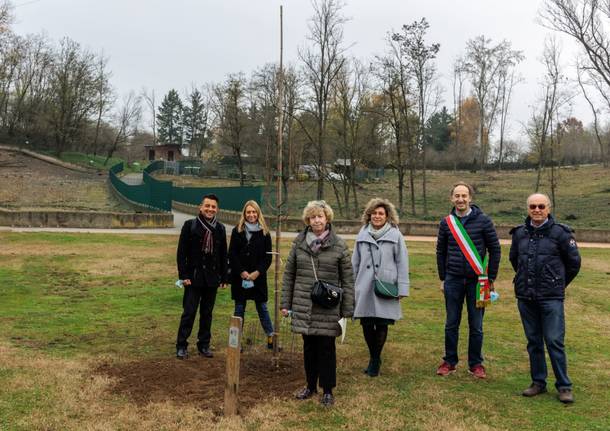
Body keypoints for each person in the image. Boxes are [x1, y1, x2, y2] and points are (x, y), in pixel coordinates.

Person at [281, 200, 354, 407]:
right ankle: (310, 386)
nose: (317, 220)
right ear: (308, 220)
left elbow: (348, 278)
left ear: (327, 218)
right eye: (312, 217)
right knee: (309, 348)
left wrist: (348, 308)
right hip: (304, 304)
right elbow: (289, 275)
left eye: (320, 216)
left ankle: (328, 390)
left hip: (328, 306)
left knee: (327, 349)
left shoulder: (339, 244)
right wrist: (286, 303)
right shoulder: (299, 243)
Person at [509, 193, 581, 403]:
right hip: (526, 296)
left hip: (551, 298)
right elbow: (515, 260)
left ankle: (564, 386)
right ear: (528, 208)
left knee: (554, 341)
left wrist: (557, 283)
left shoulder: (561, 233)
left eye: (541, 206)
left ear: (548, 208)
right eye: (533, 206)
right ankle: (538, 382)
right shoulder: (520, 234)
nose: (537, 210)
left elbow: (574, 264)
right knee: (533, 342)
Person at [436, 181, 501, 379]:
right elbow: (441, 251)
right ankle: (449, 361)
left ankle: (476, 364)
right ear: (451, 198)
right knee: (451, 323)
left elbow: (495, 249)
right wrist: (443, 278)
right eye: (457, 196)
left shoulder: (484, 221)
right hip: (453, 279)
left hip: (478, 282)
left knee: (476, 325)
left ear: (470, 198)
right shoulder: (446, 223)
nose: (460, 199)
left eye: (464, 196)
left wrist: (490, 279)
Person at [352, 198, 410, 377]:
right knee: (367, 324)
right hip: (365, 285)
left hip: (386, 286)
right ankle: (374, 357)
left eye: (381, 213)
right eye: (374, 213)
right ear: (369, 215)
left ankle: (375, 360)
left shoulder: (396, 235)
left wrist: (402, 288)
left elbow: (402, 262)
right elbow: (355, 262)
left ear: (387, 216)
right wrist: (351, 286)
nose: (377, 216)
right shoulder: (361, 234)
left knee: (382, 323)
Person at [175, 193, 228, 359]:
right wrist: (184, 275)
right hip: (193, 277)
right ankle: (181, 345)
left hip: (212, 279)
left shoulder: (220, 229)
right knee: (189, 312)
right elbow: (181, 253)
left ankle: (204, 344)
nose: (210, 209)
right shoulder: (189, 226)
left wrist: (224, 277)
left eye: (213, 207)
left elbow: (222, 255)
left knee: (207, 313)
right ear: (200, 207)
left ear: (217, 209)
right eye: (207, 206)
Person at [228, 200, 274, 349]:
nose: (251, 215)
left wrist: (257, 273)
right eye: (248, 212)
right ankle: (236, 342)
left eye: (254, 212)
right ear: (244, 214)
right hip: (240, 277)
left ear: (258, 213)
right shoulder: (237, 231)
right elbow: (232, 254)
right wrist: (241, 271)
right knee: (239, 308)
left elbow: (268, 257)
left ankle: (271, 337)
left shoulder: (265, 232)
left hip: (258, 278)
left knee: (262, 308)